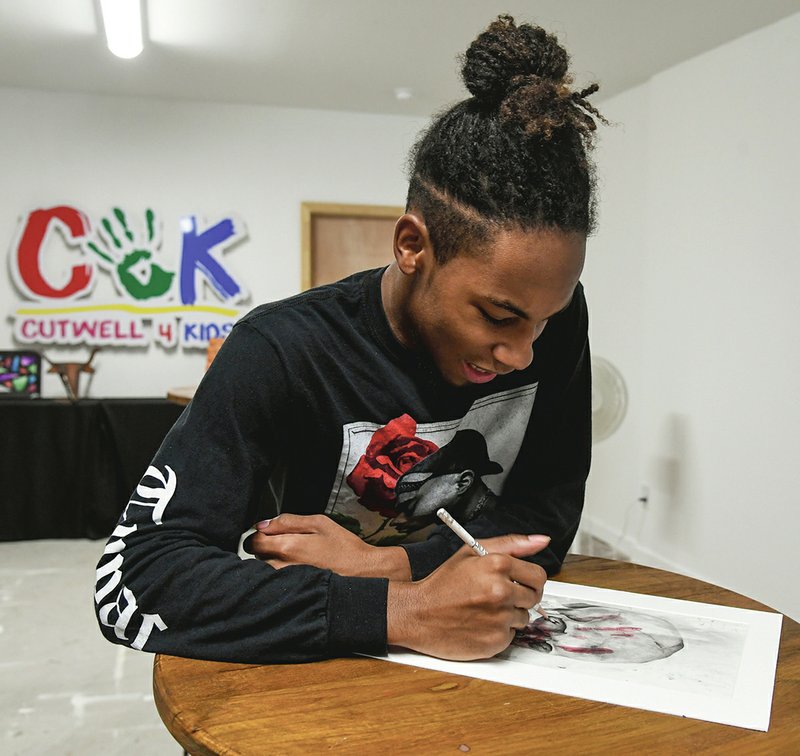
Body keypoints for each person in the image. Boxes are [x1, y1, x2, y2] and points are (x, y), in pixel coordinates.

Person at [94, 15, 603, 665]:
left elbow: (544, 519)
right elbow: (135, 577)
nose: (524, 353)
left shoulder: (548, 326)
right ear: (413, 246)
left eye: (547, 319)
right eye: (498, 316)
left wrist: (387, 563)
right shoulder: (280, 351)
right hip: (317, 684)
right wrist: (403, 610)